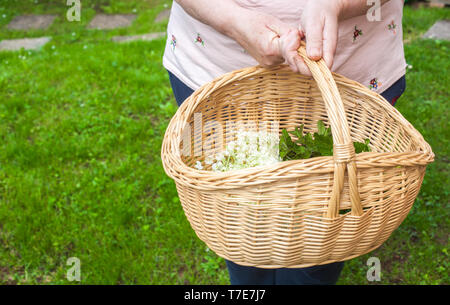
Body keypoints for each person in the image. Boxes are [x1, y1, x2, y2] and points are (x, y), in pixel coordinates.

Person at [162, 0, 406, 285]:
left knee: (322, 235)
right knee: (241, 223)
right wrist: (232, 19)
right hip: (216, 68)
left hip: (350, 72)